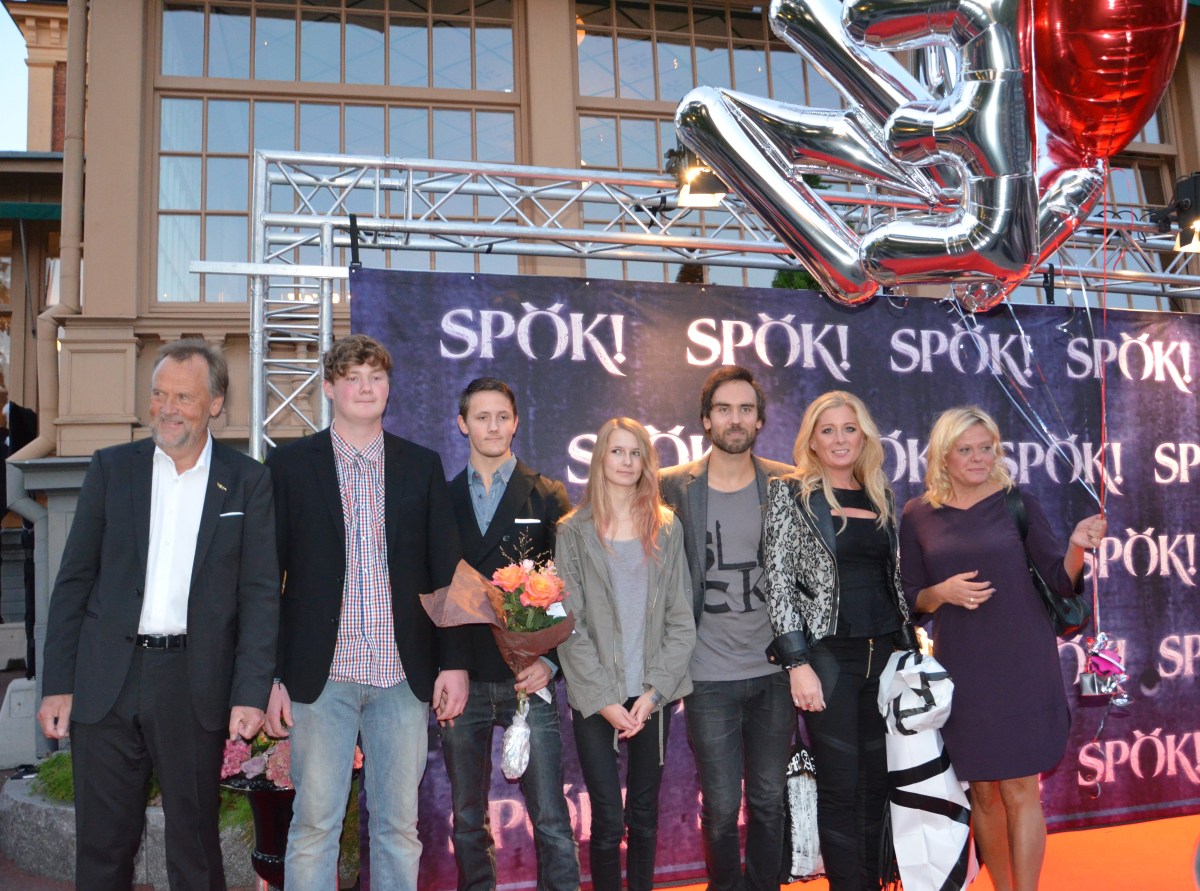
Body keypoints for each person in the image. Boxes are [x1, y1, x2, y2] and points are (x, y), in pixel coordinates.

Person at [37, 339, 279, 891]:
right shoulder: (112, 468)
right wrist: (58, 684)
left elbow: (260, 595)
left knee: (194, 849)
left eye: (183, 397)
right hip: (106, 681)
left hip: (193, 684)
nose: (167, 408)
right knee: (102, 848)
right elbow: (73, 582)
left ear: (215, 404)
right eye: (158, 394)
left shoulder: (247, 480)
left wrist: (250, 692)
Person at [263, 334, 471, 891]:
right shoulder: (289, 465)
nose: (365, 387)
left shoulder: (421, 466)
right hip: (319, 676)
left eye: (376, 377)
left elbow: (446, 575)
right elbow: (266, 580)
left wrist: (453, 662)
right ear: (330, 387)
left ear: (389, 387)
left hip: (402, 676)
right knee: (314, 826)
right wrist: (272, 676)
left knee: (398, 829)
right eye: (352, 377)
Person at [898, 406, 1105, 891]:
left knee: (1019, 789)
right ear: (943, 456)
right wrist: (942, 592)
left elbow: (1059, 580)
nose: (978, 458)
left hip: (1023, 661)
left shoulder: (1018, 502)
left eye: (986, 448)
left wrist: (1076, 546)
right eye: (965, 449)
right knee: (985, 795)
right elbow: (910, 599)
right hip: (963, 668)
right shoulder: (917, 514)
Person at [762, 390, 913, 891]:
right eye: (827, 430)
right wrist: (796, 661)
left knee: (876, 784)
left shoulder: (881, 493)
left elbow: (892, 578)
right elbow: (778, 581)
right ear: (812, 440)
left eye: (850, 428)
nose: (840, 439)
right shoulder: (790, 494)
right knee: (841, 786)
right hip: (828, 659)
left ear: (864, 436)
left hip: (884, 655)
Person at [659, 365, 794, 891]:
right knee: (719, 806)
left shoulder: (788, 483)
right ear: (705, 420)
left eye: (744, 409)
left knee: (769, 799)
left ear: (759, 419)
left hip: (775, 672)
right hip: (707, 674)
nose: (734, 419)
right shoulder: (674, 487)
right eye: (723, 409)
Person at [443, 377, 579, 891]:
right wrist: (445, 667)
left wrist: (551, 662)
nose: (493, 426)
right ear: (463, 424)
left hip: (529, 678)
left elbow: (570, 586)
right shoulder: (443, 497)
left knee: (551, 815)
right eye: (482, 417)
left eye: (502, 416)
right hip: (463, 679)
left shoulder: (546, 494)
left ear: (516, 422)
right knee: (466, 818)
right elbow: (435, 587)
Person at [555, 418, 696, 891]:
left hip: (652, 693)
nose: (627, 461)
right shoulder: (573, 532)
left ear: (647, 463)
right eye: (617, 451)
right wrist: (603, 699)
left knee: (644, 815)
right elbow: (569, 626)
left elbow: (681, 620)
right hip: (596, 695)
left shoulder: (667, 527)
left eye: (636, 453)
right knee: (607, 820)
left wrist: (654, 693)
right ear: (600, 458)